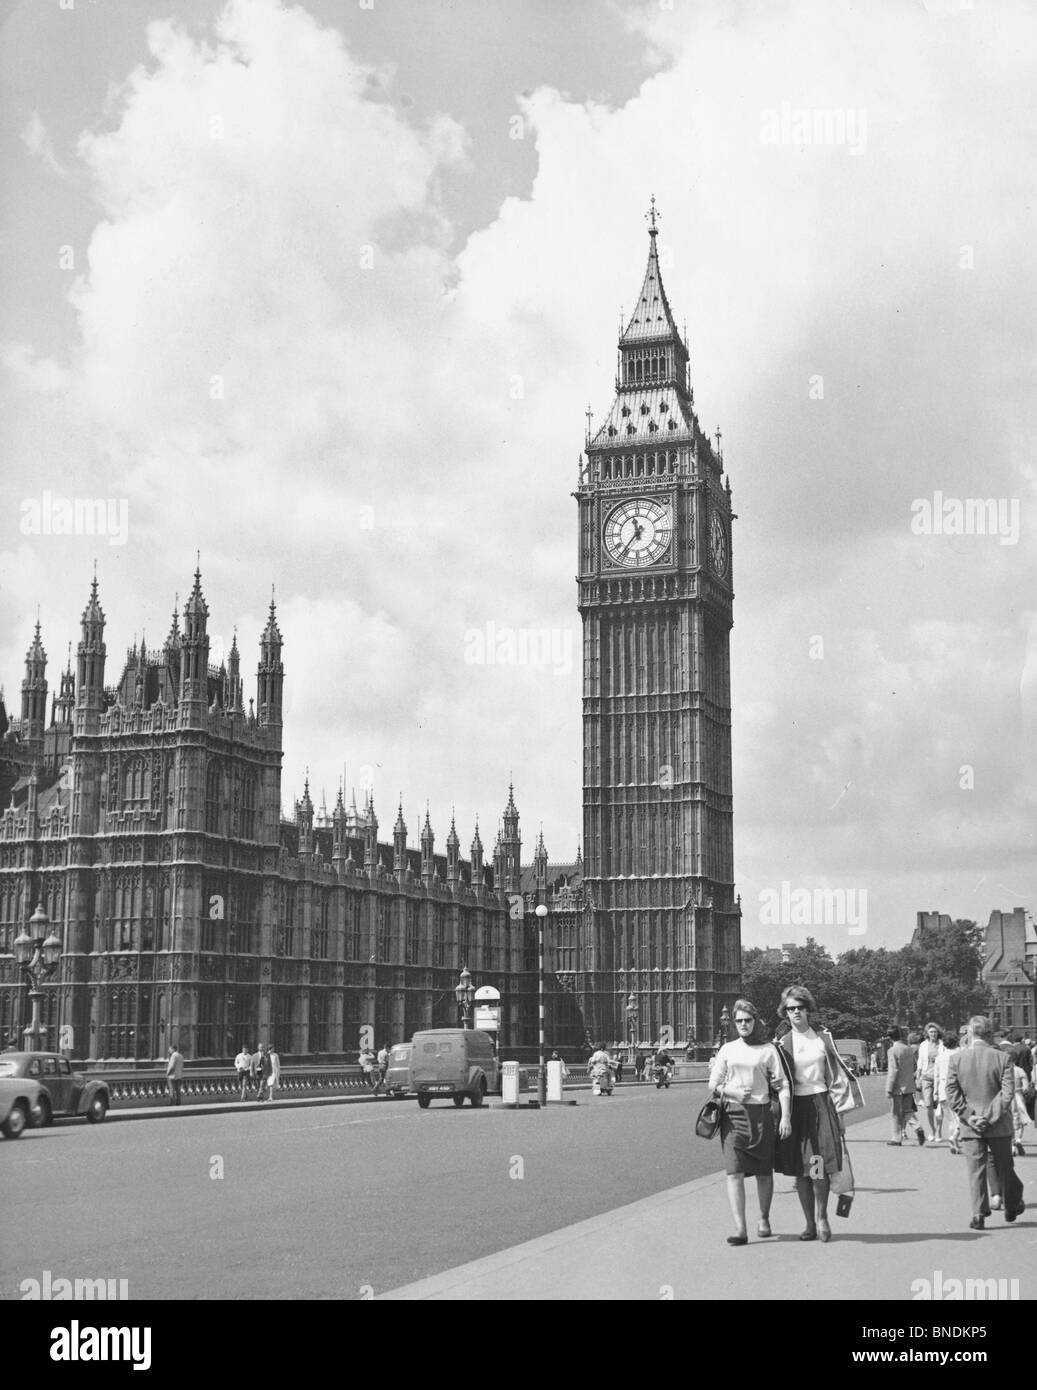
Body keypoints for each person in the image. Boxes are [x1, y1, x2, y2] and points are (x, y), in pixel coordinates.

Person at [772, 985, 853, 1242]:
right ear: (785, 1013)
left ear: (808, 1010)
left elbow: (839, 1078)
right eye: (790, 1009)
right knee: (800, 1169)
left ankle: (822, 1217)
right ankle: (808, 1222)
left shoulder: (822, 1039)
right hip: (796, 1109)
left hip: (820, 1104)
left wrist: (840, 1116)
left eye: (799, 1008)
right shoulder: (782, 1043)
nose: (795, 1012)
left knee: (818, 1166)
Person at [709, 998, 791, 1246]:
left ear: (755, 1021)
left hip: (761, 1115)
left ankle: (764, 1218)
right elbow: (713, 1083)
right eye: (739, 1021)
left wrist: (785, 1116)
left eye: (747, 1020)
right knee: (734, 1173)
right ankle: (740, 1228)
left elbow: (782, 1084)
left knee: (764, 1173)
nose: (743, 1024)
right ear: (734, 1023)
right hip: (733, 1117)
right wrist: (731, 1093)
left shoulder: (768, 1050)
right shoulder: (728, 1049)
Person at [945, 1015, 1025, 1230]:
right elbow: (1007, 1093)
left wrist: (970, 1115)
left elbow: (952, 1093)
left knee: (975, 1170)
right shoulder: (1003, 1058)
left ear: (970, 1033)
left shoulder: (957, 1060)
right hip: (999, 1124)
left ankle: (978, 1213)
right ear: (989, 1033)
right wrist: (990, 1116)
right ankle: (1011, 1204)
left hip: (970, 1125)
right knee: (1005, 1167)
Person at [886, 1027, 924, 1146]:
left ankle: (896, 1138)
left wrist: (889, 1088)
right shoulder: (908, 1049)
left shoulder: (892, 1050)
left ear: (890, 1037)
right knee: (907, 1110)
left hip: (898, 1087)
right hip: (909, 1086)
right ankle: (917, 1127)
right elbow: (914, 1066)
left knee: (896, 1113)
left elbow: (893, 1071)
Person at [915, 1022, 945, 1143]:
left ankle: (939, 1130)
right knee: (928, 1105)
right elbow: (920, 1063)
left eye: (935, 1032)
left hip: (939, 1077)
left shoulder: (942, 1044)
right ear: (927, 1034)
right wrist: (918, 1078)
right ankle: (932, 1130)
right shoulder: (923, 1045)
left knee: (939, 1105)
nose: (933, 1034)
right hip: (927, 1077)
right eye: (931, 1032)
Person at [934, 1034, 961, 1153]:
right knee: (960, 1118)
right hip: (956, 1088)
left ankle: (954, 1144)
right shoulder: (958, 1056)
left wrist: (935, 1091)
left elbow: (936, 1076)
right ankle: (954, 1137)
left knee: (950, 1119)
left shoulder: (939, 1057)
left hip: (942, 1089)